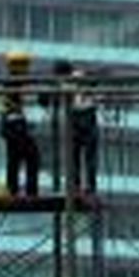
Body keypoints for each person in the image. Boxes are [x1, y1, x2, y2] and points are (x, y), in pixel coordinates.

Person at [53, 60, 100, 195]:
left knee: (78, 155)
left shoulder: (72, 78)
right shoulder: (77, 77)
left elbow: (92, 82)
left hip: (79, 115)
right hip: (82, 114)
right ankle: (84, 186)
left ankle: (80, 186)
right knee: (83, 155)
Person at [0, 50, 40, 197]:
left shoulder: (12, 80)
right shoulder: (15, 81)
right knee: (31, 156)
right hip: (15, 123)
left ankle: (13, 189)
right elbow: (16, 103)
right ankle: (29, 190)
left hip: (10, 124)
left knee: (14, 157)